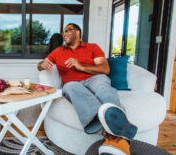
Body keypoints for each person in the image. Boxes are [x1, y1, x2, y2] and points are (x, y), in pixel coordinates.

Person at [37, 23, 138, 155]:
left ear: (78, 33)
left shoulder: (92, 47)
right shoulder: (58, 51)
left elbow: (105, 69)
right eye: (64, 31)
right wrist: (41, 64)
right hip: (73, 83)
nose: (64, 33)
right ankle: (120, 134)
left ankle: (115, 134)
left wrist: (81, 67)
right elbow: (40, 65)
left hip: (94, 78)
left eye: (68, 30)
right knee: (70, 86)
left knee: (103, 88)